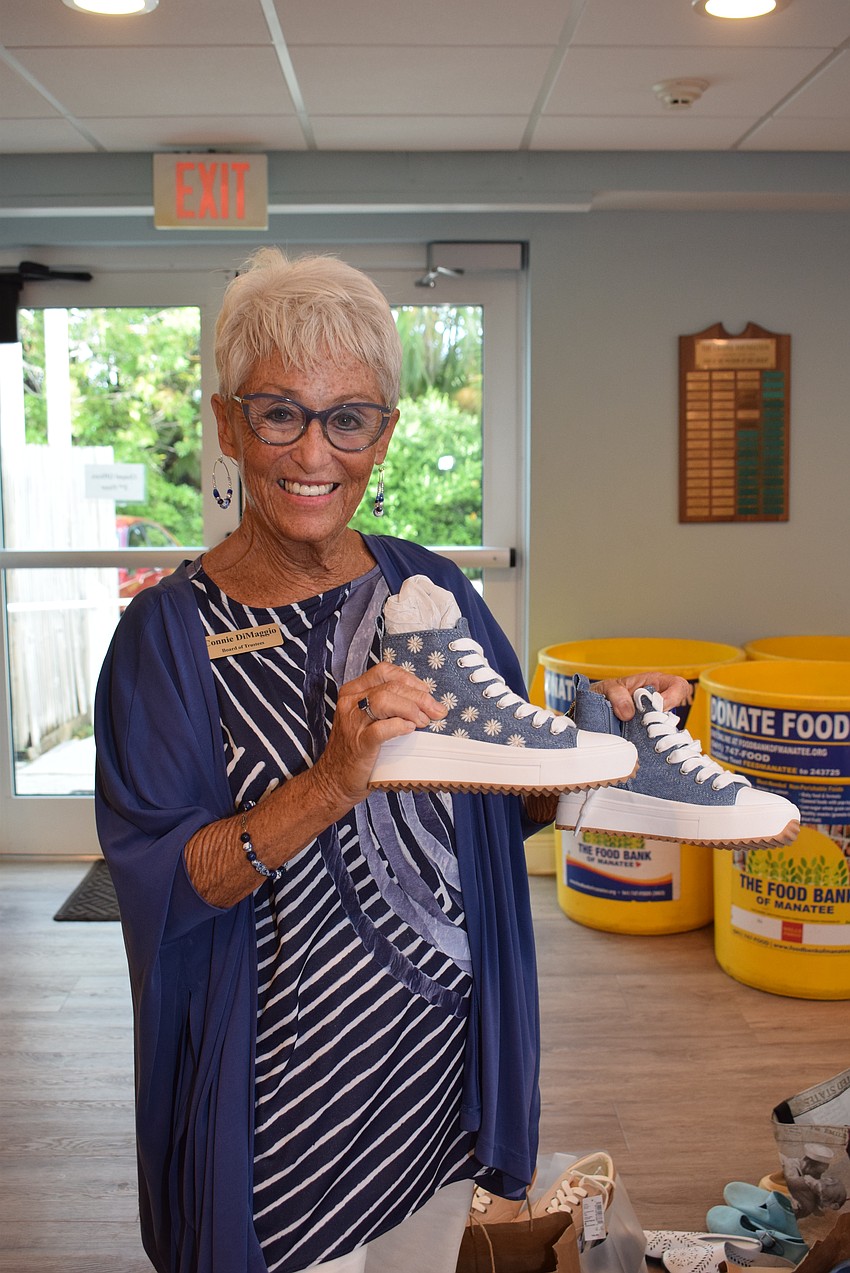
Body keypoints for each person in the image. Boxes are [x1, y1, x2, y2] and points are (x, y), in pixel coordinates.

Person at [94, 247, 690, 1273]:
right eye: (279, 411)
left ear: (385, 432)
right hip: (280, 1104)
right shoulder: (167, 636)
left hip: (435, 1071)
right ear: (228, 422)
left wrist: (601, 739)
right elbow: (166, 884)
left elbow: (503, 804)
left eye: (349, 417)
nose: (313, 450)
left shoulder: (431, 589)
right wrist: (329, 782)